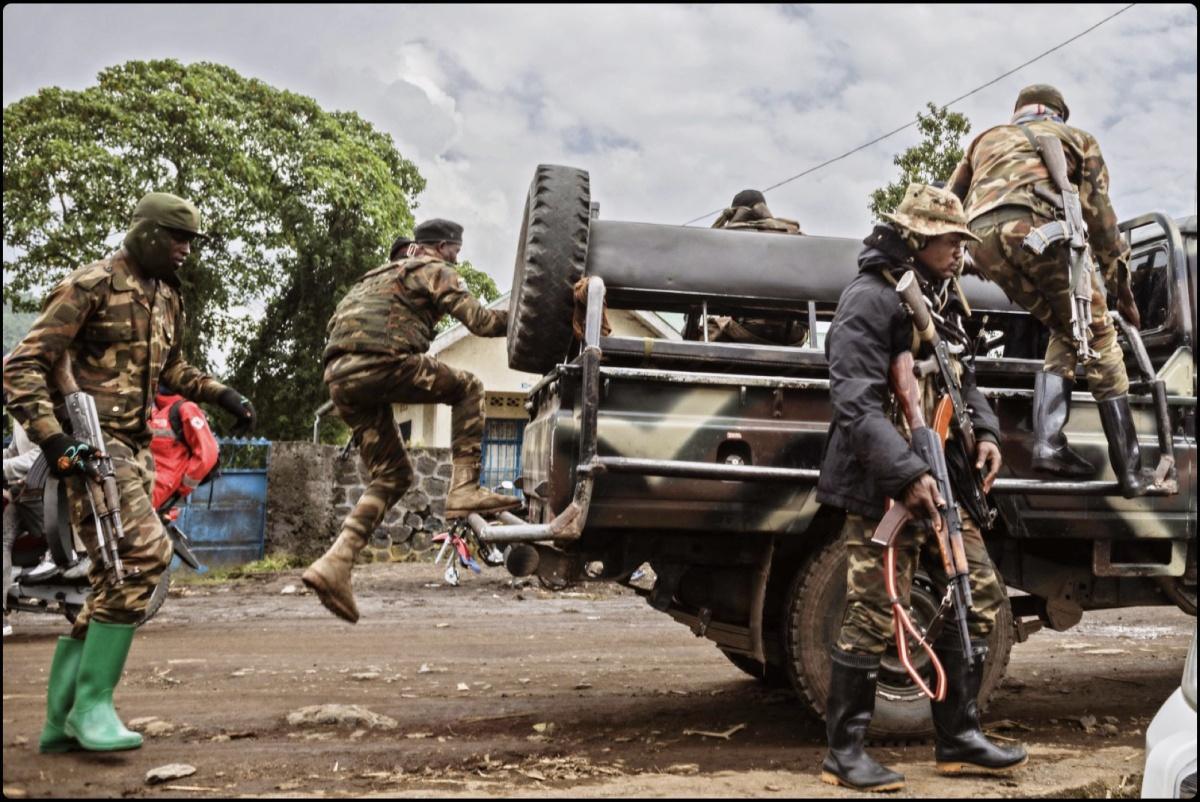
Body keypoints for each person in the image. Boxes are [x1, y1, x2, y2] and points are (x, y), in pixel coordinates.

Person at [3, 192, 255, 754]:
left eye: (190, 240)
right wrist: (55, 440)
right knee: (143, 557)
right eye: (175, 238)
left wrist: (222, 394)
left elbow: (171, 367)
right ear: (145, 234)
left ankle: (62, 718)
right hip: (93, 445)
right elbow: (22, 364)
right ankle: (91, 707)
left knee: (113, 577)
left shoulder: (167, 295)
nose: (185, 250)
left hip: (137, 446)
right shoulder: (91, 284)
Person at [816, 184, 1027, 791]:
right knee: (875, 611)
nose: (961, 251)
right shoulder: (870, 300)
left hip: (944, 477)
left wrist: (985, 435)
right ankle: (844, 753)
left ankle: (959, 738)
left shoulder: (941, 301)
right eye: (949, 240)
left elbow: (967, 379)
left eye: (963, 241)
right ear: (916, 238)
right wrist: (907, 476)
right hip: (884, 483)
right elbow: (855, 402)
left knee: (978, 595)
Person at [302, 217, 519, 624]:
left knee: (393, 475)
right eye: (455, 252)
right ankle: (465, 488)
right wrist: (532, 313)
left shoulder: (371, 279)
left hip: (340, 378)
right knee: (469, 387)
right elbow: (483, 323)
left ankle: (336, 563)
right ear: (440, 248)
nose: (456, 260)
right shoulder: (433, 269)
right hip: (385, 363)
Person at [947, 84, 1153, 497]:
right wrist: (1121, 286)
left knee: (1064, 326)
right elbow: (1101, 220)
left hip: (980, 241)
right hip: (1038, 231)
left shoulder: (984, 140)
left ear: (1019, 112)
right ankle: (1131, 472)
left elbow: (948, 197)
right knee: (1100, 339)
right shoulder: (1077, 140)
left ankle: (1049, 443)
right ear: (1060, 114)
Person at [701, 189, 809, 347]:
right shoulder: (795, 236)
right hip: (791, 334)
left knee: (699, 332)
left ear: (735, 212)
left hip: (743, 330)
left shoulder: (726, 238)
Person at [148, 384, 220, 511]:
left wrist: (181, 489)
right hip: (141, 489)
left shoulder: (186, 409)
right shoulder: (149, 409)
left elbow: (208, 454)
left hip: (159, 496)